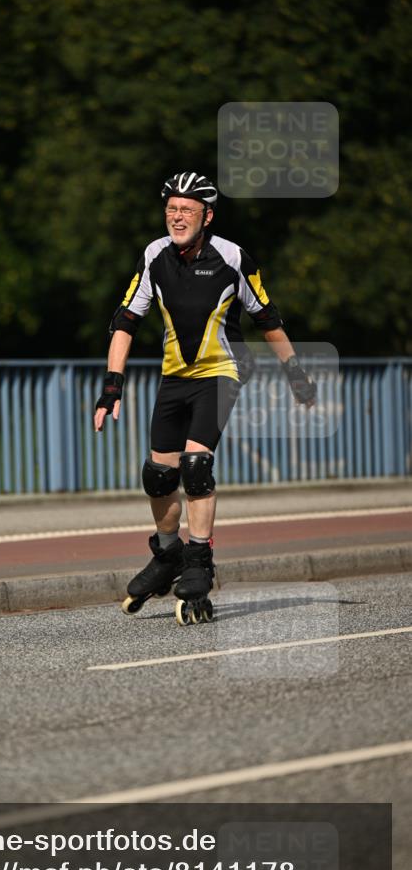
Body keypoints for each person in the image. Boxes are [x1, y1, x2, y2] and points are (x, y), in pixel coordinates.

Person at [93, 171, 316, 622]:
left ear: (207, 216)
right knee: (158, 476)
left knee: (196, 466)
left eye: (187, 210)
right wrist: (111, 386)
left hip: (222, 373)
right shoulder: (154, 256)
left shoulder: (232, 257)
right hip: (174, 376)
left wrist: (295, 373)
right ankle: (168, 554)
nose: (177, 217)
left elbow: (267, 317)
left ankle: (199, 562)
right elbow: (125, 321)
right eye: (171, 209)